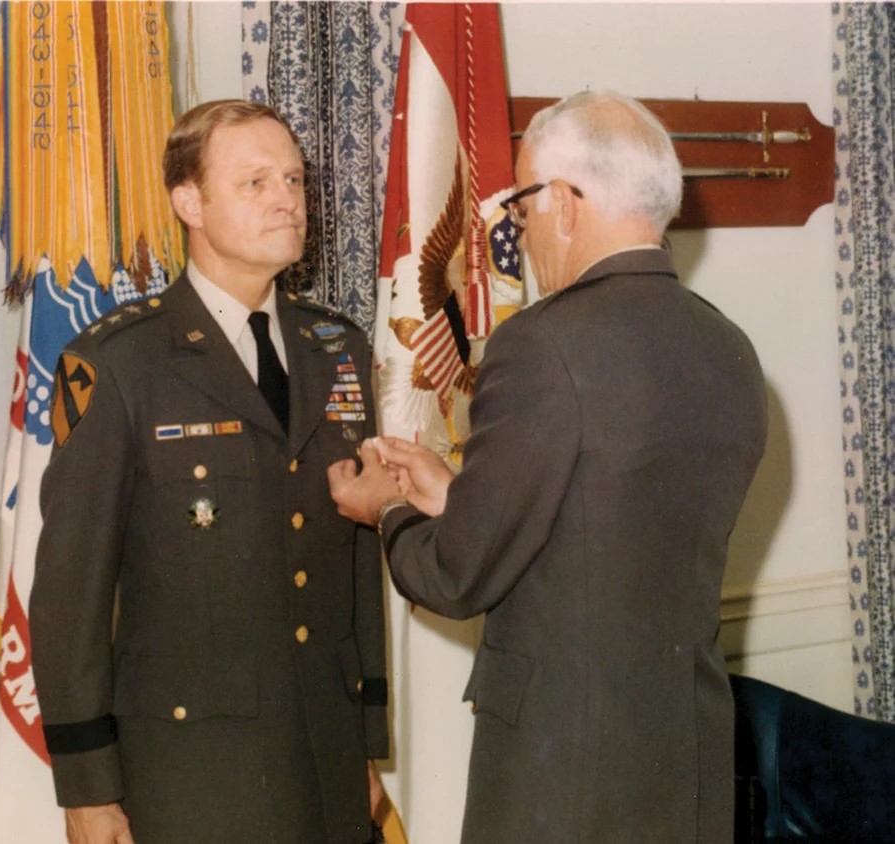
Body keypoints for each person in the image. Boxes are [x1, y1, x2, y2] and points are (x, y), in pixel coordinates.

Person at [327, 90, 768, 843]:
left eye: (524, 207)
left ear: (565, 201)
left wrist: (388, 510)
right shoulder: (728, 346)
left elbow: (456, 577)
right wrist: (461, 495)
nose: (521, 234)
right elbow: (602, 514)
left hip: (562, 775)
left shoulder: (542, 344)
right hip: (686, 759)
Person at [28, 99, 390, 844]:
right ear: (188, 202)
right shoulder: (120, 364)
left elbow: (355, 567)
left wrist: (366, 738)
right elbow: (71, 592)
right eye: (255, 181)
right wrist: (87, 787)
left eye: (293, 178)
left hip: (324, 750)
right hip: (193, 770)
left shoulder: (339, 348)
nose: (287, 198)